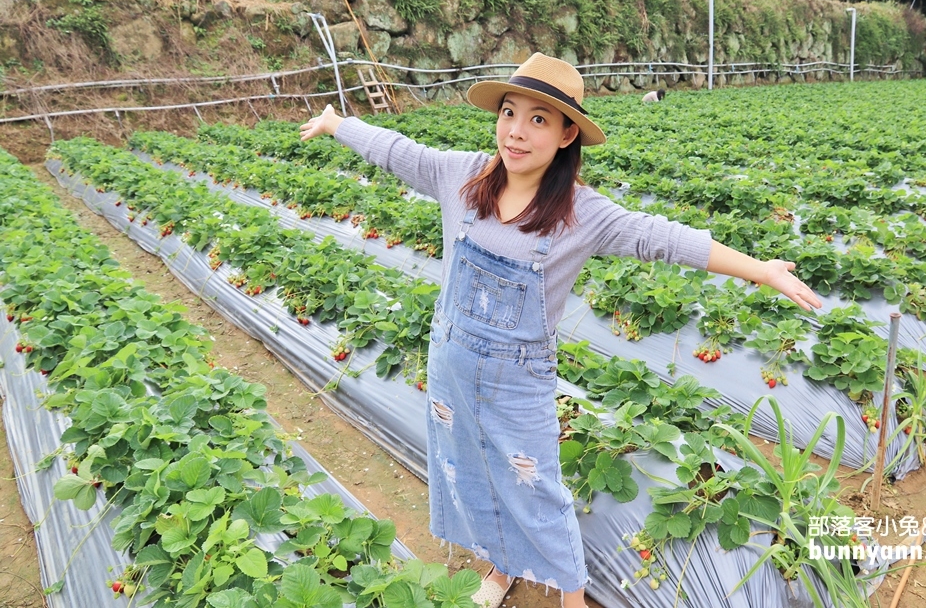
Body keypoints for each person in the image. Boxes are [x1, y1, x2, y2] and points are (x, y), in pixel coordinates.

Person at [299, 53, 821, 608]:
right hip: (451, 365)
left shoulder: (581, 213)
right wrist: (339, 124)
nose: (516, 132)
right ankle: (498, 571)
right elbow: (396, 150)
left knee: (537, 490)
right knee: (474, 472)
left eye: (539, 120)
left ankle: (572, 598)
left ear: (568, 133)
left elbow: (663, 237)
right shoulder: (462, 175)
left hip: (518, 382)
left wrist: (760, 270)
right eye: (508, 112)